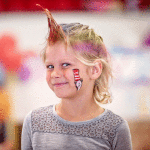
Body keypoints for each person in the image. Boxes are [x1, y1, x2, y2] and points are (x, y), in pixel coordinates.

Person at [21, 7, 132, 150]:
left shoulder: (115, 128)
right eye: (50, 66)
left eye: (65, 65)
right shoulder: (34, 123)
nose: (55, 73)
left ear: (94, 69)